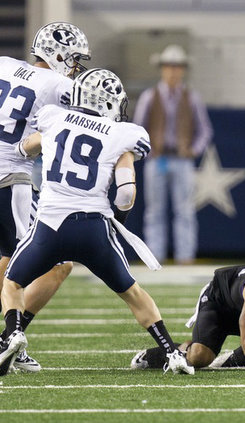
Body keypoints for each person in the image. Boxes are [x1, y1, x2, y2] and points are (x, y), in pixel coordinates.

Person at [0, 68, 193, 376]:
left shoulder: (53, 117)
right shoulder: (122, 134)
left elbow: (23, 149)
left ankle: (12, 334)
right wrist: (118, 220)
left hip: (50, 225)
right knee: (132, 292)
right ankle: (171, 352)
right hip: (93, 228)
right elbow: (126, 193)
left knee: (12, 282)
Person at [0, 21, 91, 373]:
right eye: (73, 59)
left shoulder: (5, 64)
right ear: (59, 54)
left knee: (9, 261)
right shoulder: (61, 84)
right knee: (55, 262)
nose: (75, 66)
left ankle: (10, 336)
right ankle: (12, 338)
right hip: (10, 178)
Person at [133, 44, 213, 265]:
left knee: (185, 210)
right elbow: (138, 129)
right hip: (157, 159)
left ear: (183, 70)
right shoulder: (150, 96)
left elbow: (204, 130)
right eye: (169, 66)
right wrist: (148, 151)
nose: (173, 71)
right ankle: (154, 257)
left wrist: (194, 150)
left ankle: (184, 257)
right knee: (154, 211)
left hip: (182, 160)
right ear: (162, 68)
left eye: (177, 67)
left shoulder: (192, 97)